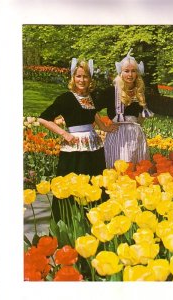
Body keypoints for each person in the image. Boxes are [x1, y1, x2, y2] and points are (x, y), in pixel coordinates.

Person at [38, 58, 116, 221]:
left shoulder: (91, 97)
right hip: (73, 147)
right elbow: (43, 118)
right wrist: (64, 134)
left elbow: (92, 112)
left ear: (90, 79)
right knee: (72, 184)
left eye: (85, 76)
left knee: (95, 183)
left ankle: (94, 222)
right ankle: (68, 223)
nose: (82, 80)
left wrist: (103, 127)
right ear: (73, 78)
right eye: (78, 76)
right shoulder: (66, 98)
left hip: (93, 146)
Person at [96, 49, 153, 170]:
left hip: (135, 136)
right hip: (117, 135)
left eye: (133, 71)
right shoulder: (111, 92)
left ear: (137, 73)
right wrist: (103, 127)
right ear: (120, 72)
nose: (130, 74)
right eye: (126, 71)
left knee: (135, 169)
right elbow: (91, 109)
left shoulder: (140, 92)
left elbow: (141, 117)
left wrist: (137, 129)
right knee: (117, 167)